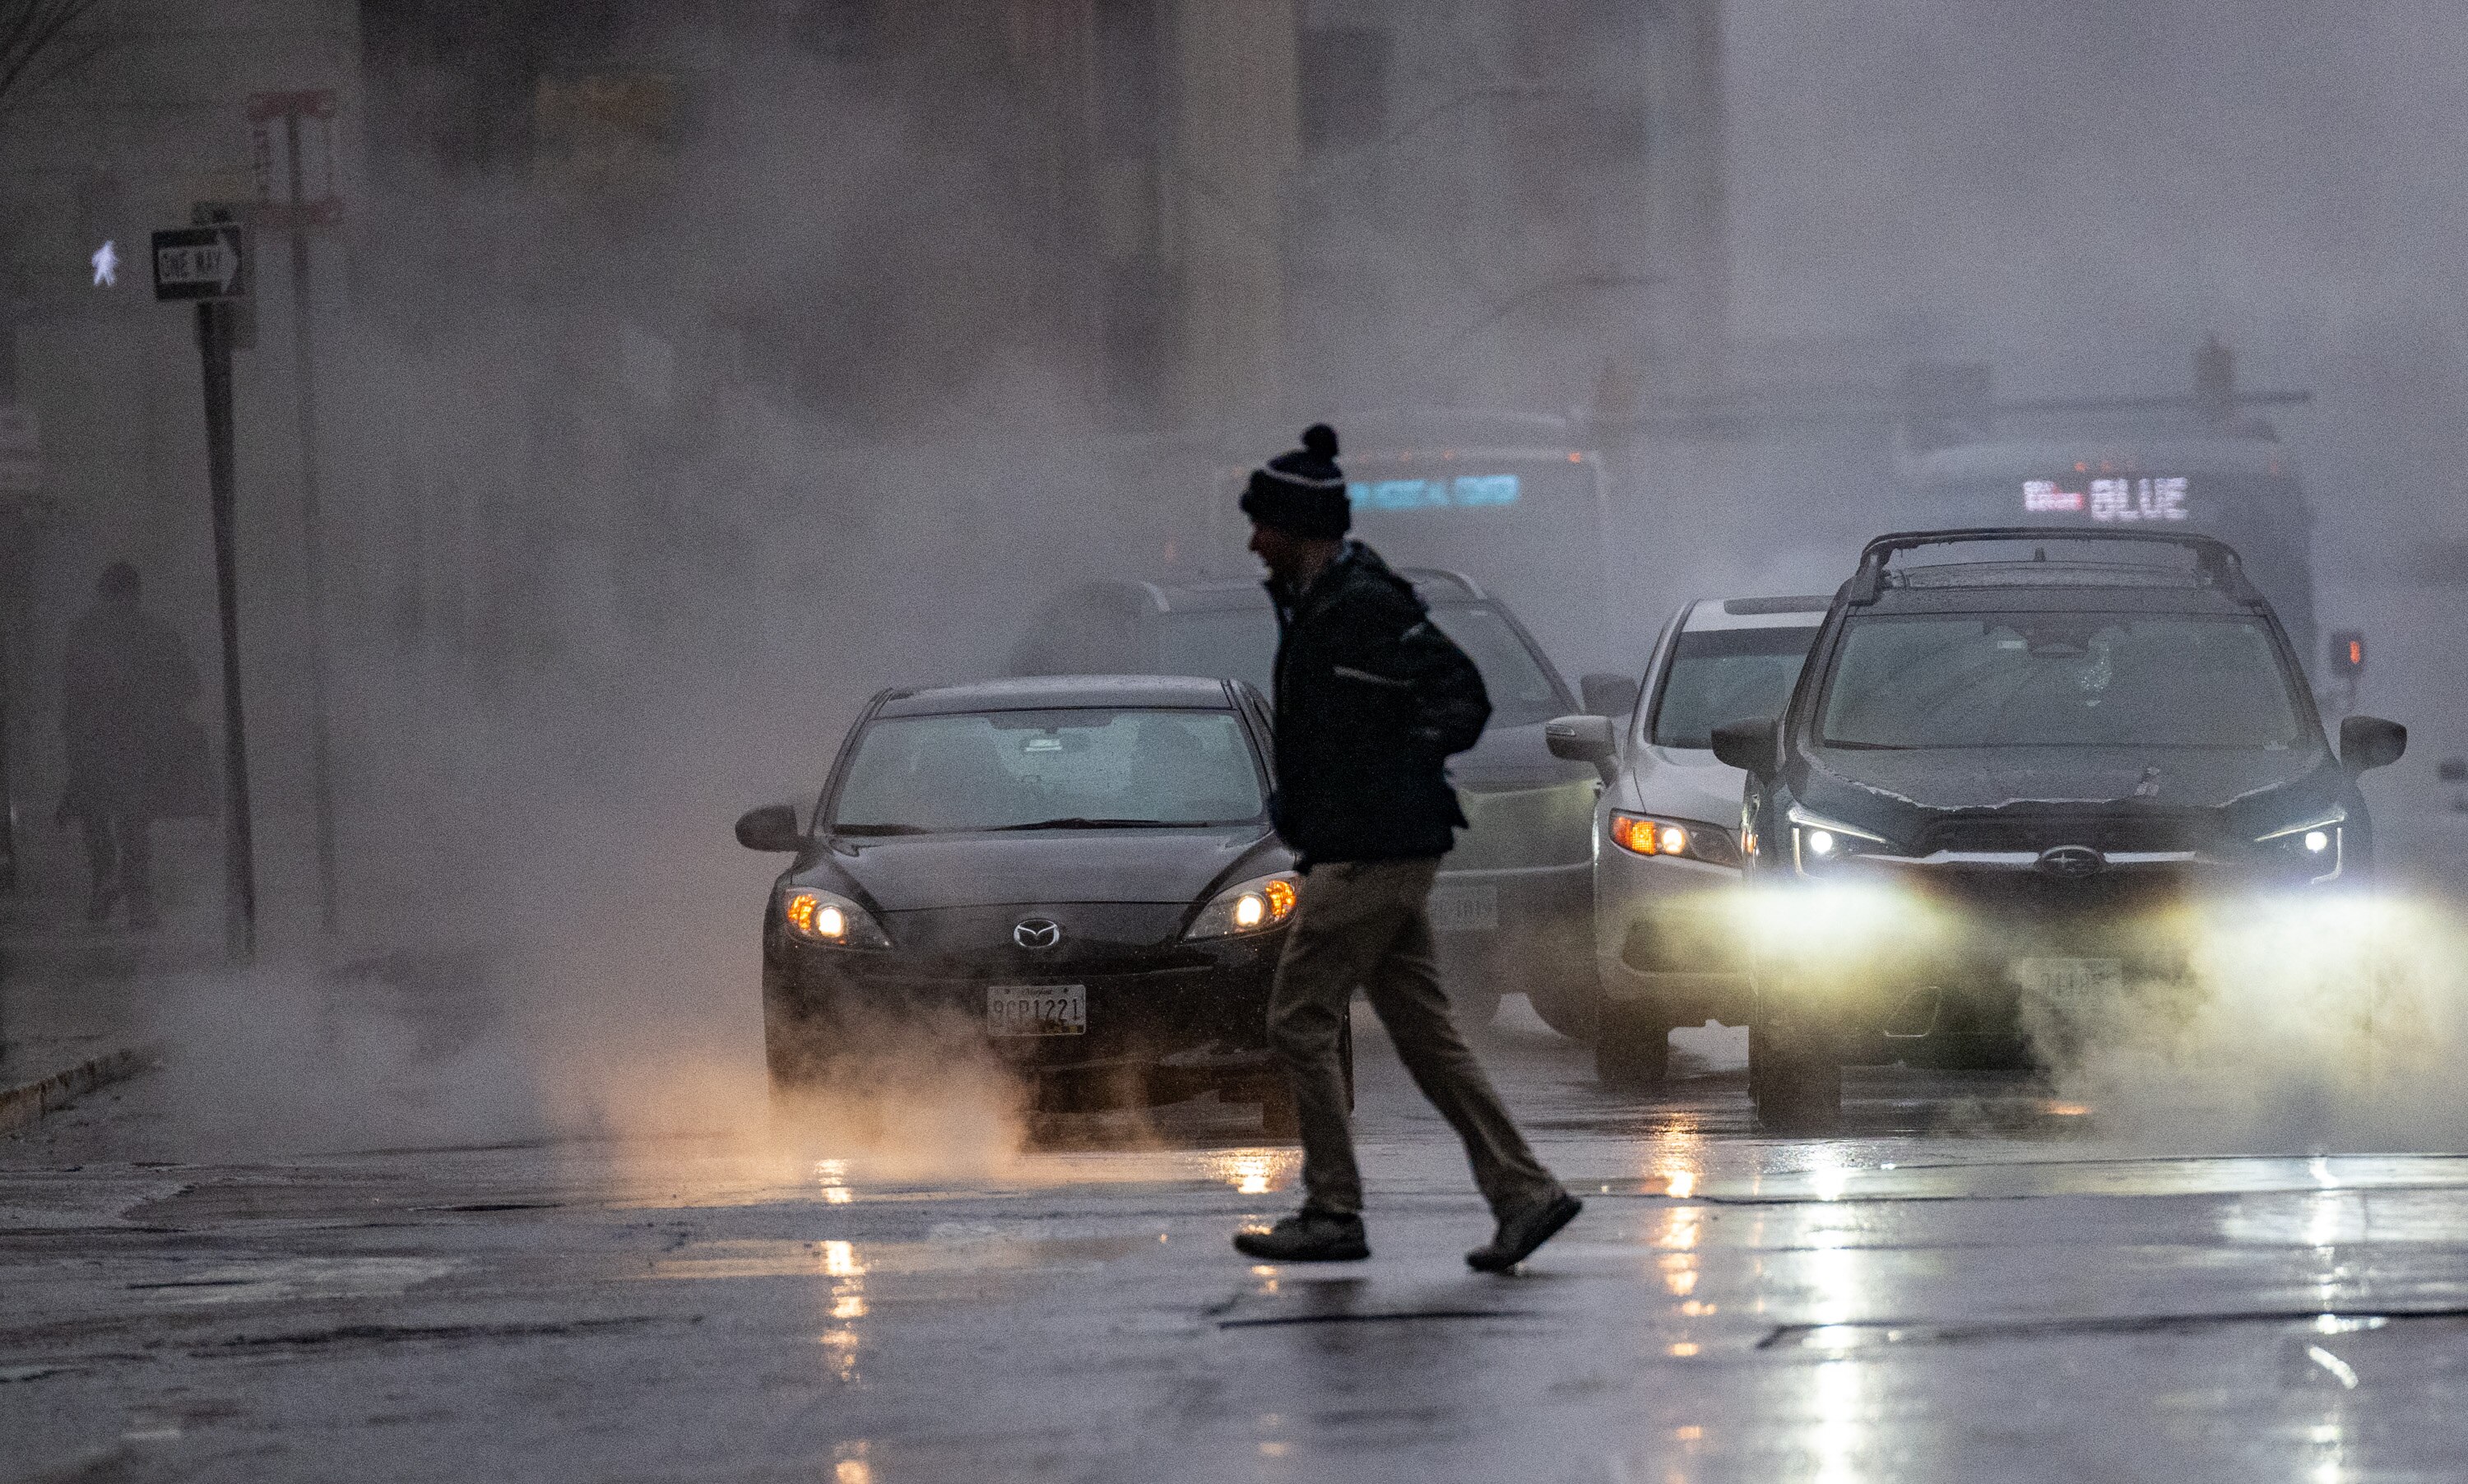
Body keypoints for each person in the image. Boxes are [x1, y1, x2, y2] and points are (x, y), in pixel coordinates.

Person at [1231, 424, 1581, 1271]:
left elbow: (1461, 696)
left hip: (1374, 852)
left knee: (1298, 1019)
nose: (1252, 541)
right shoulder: (1321, 602)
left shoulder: (1364, 604)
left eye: (1264, 524)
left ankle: (1333, 1209)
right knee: (1428, 1036)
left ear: (1300, 525)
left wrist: (1382, 777)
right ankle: (1525, 1193)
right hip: (1364, 843)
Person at [58, 563, 200, 928]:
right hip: (139, 742)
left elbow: (72, 691)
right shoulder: (152, 632)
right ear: (135, 593)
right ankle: (137, 897)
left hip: (94, 743)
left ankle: (106, 882)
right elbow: (188, 683)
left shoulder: (85, 634)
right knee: (133, 819)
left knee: (98, 815)